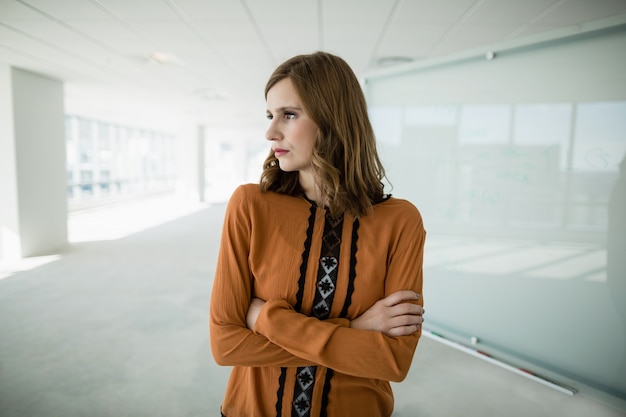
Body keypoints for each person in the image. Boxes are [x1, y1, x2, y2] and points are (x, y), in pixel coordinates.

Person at [209, 51, 426, 417]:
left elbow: (392, 361)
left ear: (332, 119)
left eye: (289, 115)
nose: (270, 132)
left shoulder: (400, 221)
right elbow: (227, 345)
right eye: (270, 115)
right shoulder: (249, 206)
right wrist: (354, 329)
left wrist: (266, 320)